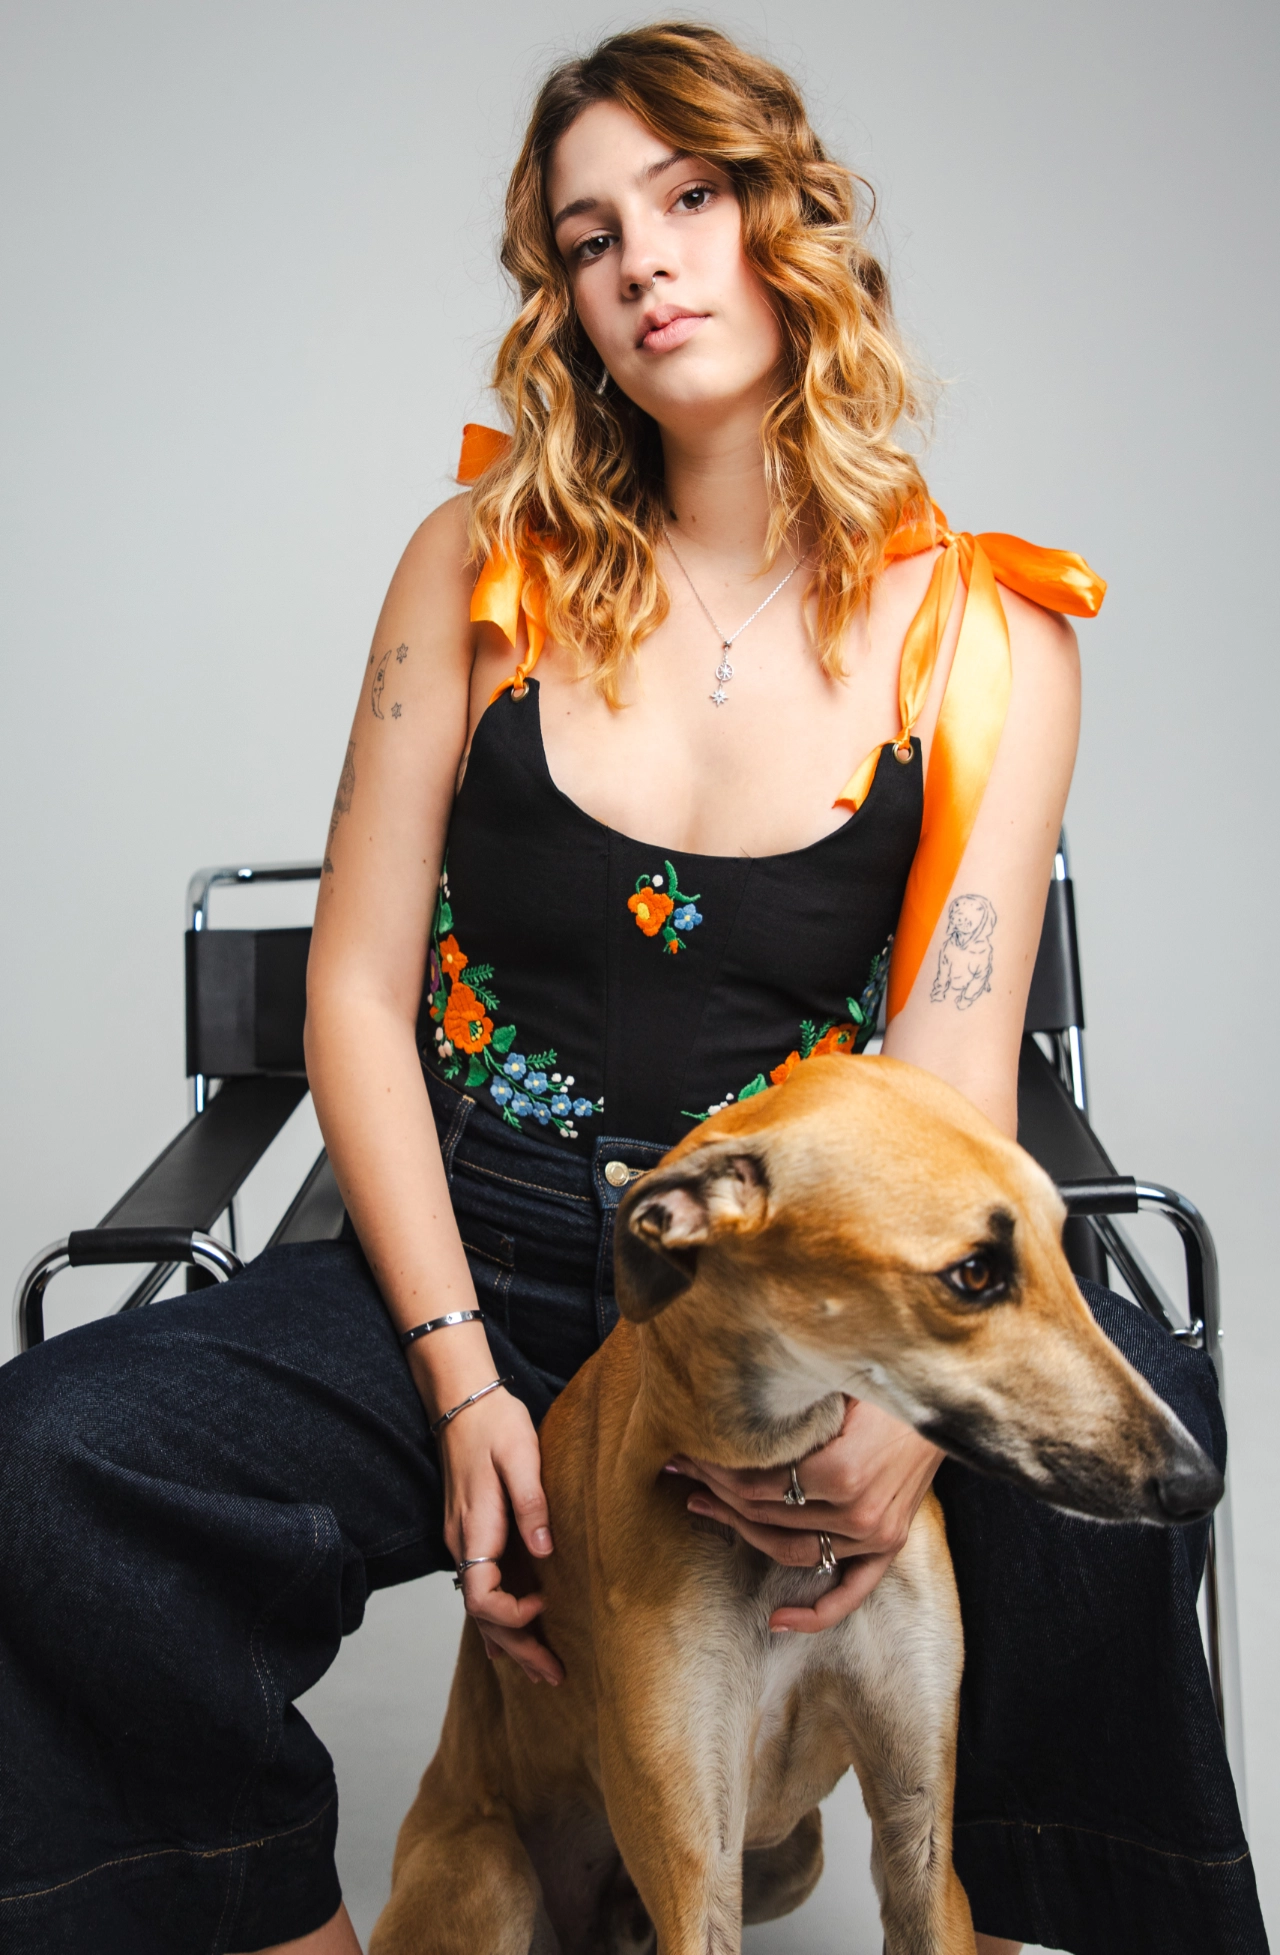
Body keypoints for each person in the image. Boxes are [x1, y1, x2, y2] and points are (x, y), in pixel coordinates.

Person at [0, 22, 1264, 1955]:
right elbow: (353, 996)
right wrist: (461, 1384)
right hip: (477, 1251)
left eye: (690, 196)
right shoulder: (476, 565)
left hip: (800, 1282)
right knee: (53, 1458)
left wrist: (909, 1416)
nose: (646, 262)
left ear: (788, 217)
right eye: (592, 238)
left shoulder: (990, 632)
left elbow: (946, 1080)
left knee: (1132, 1428)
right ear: (566, 298)